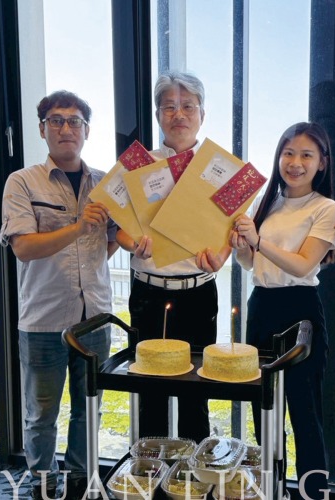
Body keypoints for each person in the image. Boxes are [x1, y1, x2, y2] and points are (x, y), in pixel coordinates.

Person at [0, 91, 118, 500]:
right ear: (42, 129)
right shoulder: (22, 181)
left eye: (74, 121)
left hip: (95, 317)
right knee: (41, 413)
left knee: (89, 409)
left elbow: (113, 237)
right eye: (56, 120)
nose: (66, 128)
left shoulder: (104, 183)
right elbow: (23, 247)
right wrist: (78, 228)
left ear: (87, 130)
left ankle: (81, 479)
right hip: (43, 319)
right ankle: (43, 484)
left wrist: (92, 257)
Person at [116, 71, 229, 443]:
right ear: (158, 115)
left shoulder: (218, 170)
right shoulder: (137, 166)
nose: (178, 114)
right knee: (150, 392)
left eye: (188, 106)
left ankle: (193, 474)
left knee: (196, 393)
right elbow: (119, 229)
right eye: (169, 107)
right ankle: (152, 473)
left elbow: (231, 228)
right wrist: (133, 243)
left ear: (202, 114)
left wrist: (221, 257)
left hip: (199, 293)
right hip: (148, 293)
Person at [230, 122, 335, 496]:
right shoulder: (268, 202)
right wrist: (242, 247)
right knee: (265, 414)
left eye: (306, 155)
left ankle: (313, 493)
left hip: (301, 310)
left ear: (322, 162)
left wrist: (258, 241)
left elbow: (304, 265)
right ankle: (272, 489)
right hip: (262, 304)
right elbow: (250, 263)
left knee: (305, 416)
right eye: (288, 153)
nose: (295, 163)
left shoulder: (326, 208)